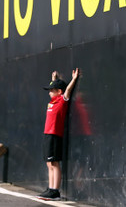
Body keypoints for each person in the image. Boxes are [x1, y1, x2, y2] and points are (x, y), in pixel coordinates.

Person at [37, 68, 81, 200]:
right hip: (47, 135)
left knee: (54, 163)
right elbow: (56, 88)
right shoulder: (52, 102)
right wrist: (54, 80)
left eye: (52, 90)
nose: (49, 93)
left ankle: (55, 190)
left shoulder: (62, 101)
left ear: (59, 92)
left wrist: (73, 79)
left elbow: (66, 91)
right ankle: (50, 188)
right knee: (49, 163)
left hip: (55, 135)